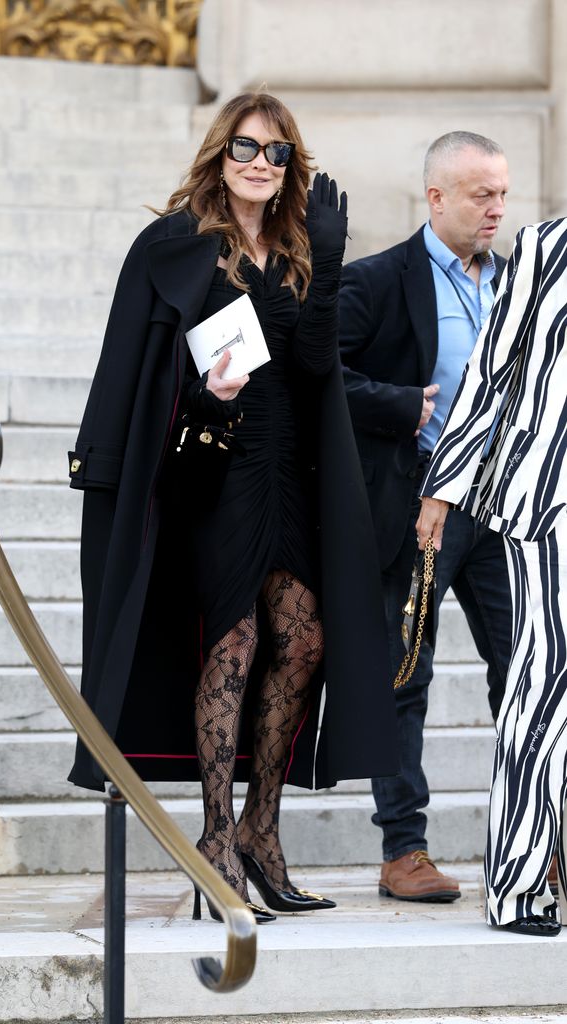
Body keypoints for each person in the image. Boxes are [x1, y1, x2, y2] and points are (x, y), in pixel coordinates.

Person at [67, 92, 398, 921]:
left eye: (279, 153)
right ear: (221, 153)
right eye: (248, 148)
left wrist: (325, 263)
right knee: (236, 641)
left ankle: (260, 829)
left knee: (304, 639)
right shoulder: (175, 246)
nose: (262, 164)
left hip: (290, 473)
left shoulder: (296, 248)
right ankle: (214, 841)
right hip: (213, 478)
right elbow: (134, 374)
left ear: (293, 167)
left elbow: (318, 366)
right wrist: (207, 401)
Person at [338, 131, 513, 902]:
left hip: (504, 512)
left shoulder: (519, 285)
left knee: (526, 678)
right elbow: (323, 378)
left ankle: (530, 842)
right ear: (435, 197)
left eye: (502, 194)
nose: (496, 209)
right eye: (481, 195)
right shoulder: (377, 281)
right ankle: (402, 851)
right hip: (414, 512)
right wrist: (401, 406)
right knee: (403, 677)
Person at [417, 217, 567, 936]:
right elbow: (489, 371)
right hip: (548, 503)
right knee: (540, 691)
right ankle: (517, 884)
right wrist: (444, 487)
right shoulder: (547, 246)